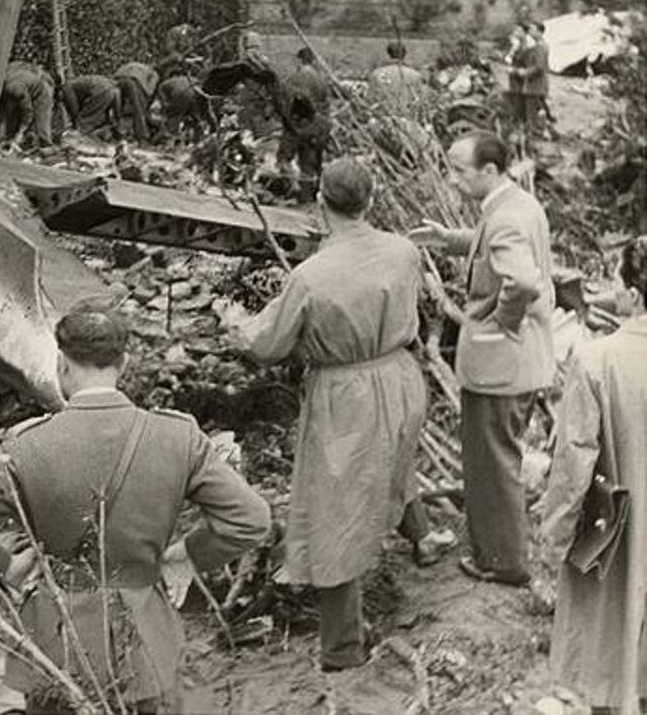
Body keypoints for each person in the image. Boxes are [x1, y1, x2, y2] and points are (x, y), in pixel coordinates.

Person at [0, 301, 270, 712]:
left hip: (57, 640)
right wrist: (185, 557)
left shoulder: (25, 444)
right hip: (147, 645)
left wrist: (7, 569)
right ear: (123, 363)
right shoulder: (178, 437)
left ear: (62, 364)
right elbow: (250, 519)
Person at [216, 157, 454, 671]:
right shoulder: (403, 250)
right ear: (371, 200)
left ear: (320, 203)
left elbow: (268, 344)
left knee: (334, 508)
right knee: (393, 455)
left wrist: (234, 322)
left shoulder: (311, 275)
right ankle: (424, 538)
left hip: (347, 392)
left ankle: (342, 647)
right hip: (401, 376)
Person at [409, 130, 554, 586]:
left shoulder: (507, 218)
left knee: (493, 467)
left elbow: (523, 282)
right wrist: (452, 239)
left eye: (459, 170)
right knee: (498, 460)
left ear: (489, 170)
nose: (452, 180)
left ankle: (504, 562)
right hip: (518, 362)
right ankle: (503, 552)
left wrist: (500, 324)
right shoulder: (516, 205)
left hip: (501, 365)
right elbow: (496, 246)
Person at [539, 236, 646, 715]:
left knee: (612, 657)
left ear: (632, 292)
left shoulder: (599, 359)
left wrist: (556, 538)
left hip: (627, 536)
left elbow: (573, 462)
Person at [277, 47, 333, 203]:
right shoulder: (321, 79)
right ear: (313, 61)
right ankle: (306, 199)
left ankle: (287, 190)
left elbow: (285, 101)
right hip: (315, 126)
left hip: (296, 124)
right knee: (308, 165)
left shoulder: (294, 78)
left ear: (299, 60)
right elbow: (326, 106)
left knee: (283, 159)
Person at [0, 60, 56, 148]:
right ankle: (9, 140)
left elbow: (28, 113)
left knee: (42, 122)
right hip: (25, 83)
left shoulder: (21, 92)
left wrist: (21, 132)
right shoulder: (5, 81)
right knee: (10, 115)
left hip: (41, 93)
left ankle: (46, 146)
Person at [367, 41, 428, 113]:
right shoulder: (414, 75)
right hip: (407, 117)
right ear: (404, 54)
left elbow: (370, 100)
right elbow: (421, 102)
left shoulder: (376, 74)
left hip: (382, 117)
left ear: (388, 54)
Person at [61, 73, 121, 138]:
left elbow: (73, 108)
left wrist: (76, 122)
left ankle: (77, 135)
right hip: (110, 90)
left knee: (85, 119)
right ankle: (108, 131)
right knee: (100, 115)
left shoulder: (66, 88)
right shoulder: (78, 82)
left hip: (101, 90)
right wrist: (117, 120)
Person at [113, 61, 159, 142]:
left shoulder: (132, 64)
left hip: (117, 80)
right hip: (133, 81)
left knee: (118, 108)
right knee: (138, 110)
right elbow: (149, 91)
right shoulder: (154, 74)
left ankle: (116, 131)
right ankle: (142, 136)